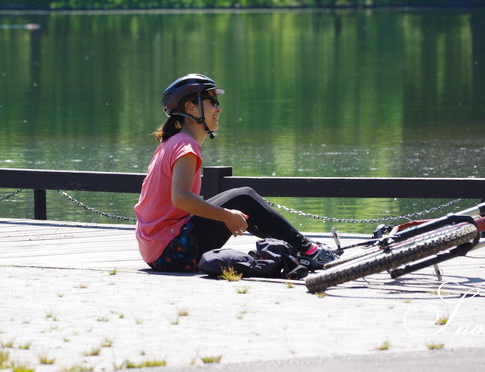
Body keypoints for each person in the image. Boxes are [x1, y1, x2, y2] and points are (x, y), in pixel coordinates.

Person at [133, 73, 335, 272]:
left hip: (158, 250)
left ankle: (301, 249)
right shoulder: (185, 146)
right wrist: (226, 215)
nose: (218, 108)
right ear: (190, 107)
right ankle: (309, 251)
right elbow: (181, 198)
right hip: (172, 252)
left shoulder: (171, 143)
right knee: (243, 197)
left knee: (241, 199)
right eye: (212, 102)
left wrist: (227, 215)